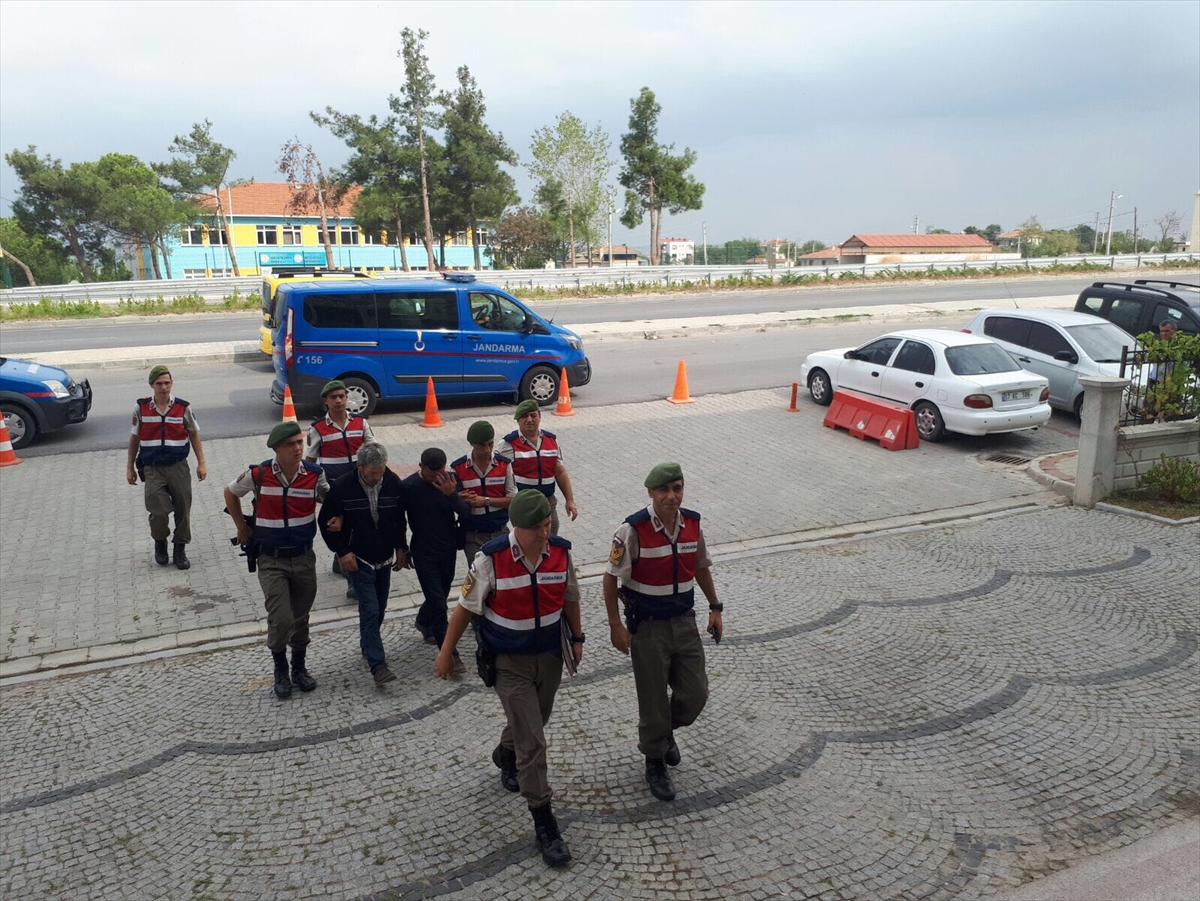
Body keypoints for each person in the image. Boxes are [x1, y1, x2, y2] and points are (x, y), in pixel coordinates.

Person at [435, 489, 583, 867]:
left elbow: (570, 597)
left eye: (548, 525)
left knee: (535, 721)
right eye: (538, 528)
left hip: (549, 656)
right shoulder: (491, 560)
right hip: (509, 663)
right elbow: (466, 608)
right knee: (533, 741)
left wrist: (578, 638)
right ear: (518, 527)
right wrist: (447, 651)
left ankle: (505, 753)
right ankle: (545, 822)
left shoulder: (561, 553)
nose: (545, 533)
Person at [603, 462, 724, 802]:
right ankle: (654, 760)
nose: (672, 496)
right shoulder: (633, 529)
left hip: (684, 621)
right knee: (653, 699)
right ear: (651, 493)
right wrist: (615, 626)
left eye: (678, 488)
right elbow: (610, 577)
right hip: (648, 627)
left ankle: (664, 732)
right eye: (665, 490)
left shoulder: (693, 524)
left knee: (696, 693)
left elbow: (700, 565)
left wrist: (715, 607)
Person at [224, 421, 329, 700]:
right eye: (290, 444)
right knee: (281, 618)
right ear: (276, 449)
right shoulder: (258, 474)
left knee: (301, 616)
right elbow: (230, 492)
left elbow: (330, 502)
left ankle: (299, 667)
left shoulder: (314, 474)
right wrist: (241, 527)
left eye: (300, 442)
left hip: (304, 557)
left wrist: (338, 517)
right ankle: (280, 669)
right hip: (271, 560)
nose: (297, 448)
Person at [318, 442, 409, 686]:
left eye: (381, 471)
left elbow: (399, 519)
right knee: (369, 608)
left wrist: (402, 547)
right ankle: (378, 666)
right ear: (360, 467)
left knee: (380, 607)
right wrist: (342, 551)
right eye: (372, 473)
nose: (377, 477)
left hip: (385, 556)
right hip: (358, 559)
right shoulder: (343, 487)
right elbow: (326, 521)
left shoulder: (392, 483)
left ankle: (367, 645)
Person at [126, 364, 207, 570]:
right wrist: (130, 467)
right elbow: (134, 438)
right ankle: (160, 543)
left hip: (178, 467)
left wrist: (201, 463)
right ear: (152, 385)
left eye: (167, 383)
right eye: (159, 383)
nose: (164, 387)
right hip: (152, 469)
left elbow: (194, 434)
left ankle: (180, 549)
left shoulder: (183, 407)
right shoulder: (141, 408)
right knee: (158, 511)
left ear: (172, 384)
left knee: (183, 509)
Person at [401, 447, 470, 670]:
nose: (436, 477)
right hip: (423, 552)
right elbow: (398, 521)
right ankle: (450, 653)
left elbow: (465, 513)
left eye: (440, 471)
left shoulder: (450, 481)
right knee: (439, 604)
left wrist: (452, 495)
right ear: (421, 467)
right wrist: (401, 548)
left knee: (439, 593)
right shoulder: (409, 487)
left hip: (448, 549)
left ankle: (423, 622)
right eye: (431, 473)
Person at [306, 379, 376, 587]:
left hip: (359, 484)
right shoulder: (317, 428)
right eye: (333, 397)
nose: (338, 400)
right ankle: (351, 579)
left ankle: (345, 564)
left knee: (356, 525)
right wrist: (312, 489)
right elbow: (310, 461)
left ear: (347, 398)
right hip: (333, 488)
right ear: (326, 401)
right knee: (339, 525)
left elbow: (373, 452)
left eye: (341, 396)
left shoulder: (361, 422)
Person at [499, 400, 579, 535]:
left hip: (548, 502)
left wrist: (570, 500)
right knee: (528, 541)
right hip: (524, 505)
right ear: (518, 420)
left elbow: (560, 472)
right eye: (524, 416)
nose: (529, 420)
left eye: (533, 415)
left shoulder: (551, 441)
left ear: (539, 417)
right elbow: (499, 475)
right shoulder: (508, 444)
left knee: (551, 539)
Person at [452, 420, 516, 568]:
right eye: (482, 445)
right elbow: (453, 502)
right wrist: (458, 498)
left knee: (503, 577)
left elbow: (513, 499)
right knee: (478, 580)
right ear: (472, 444)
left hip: (500, 532)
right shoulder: (458, 468)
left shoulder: (504, 464)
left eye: (491, 444)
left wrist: (485, 501)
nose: (487, 449)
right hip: (473, 536)